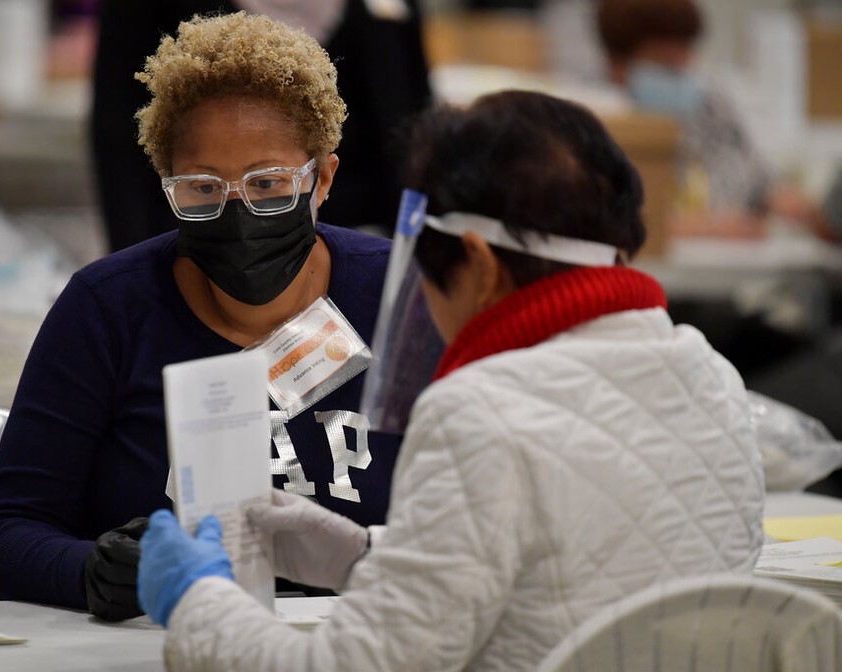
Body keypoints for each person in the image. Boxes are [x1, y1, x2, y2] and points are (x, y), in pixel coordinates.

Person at [134, 89, 766, 671]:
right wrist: (362, 555)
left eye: (432, 274)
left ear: (481, 267)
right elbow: (578, 572)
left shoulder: (477, 412)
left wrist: (198, 602)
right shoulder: (709, 374)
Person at [0, 12, 402, 621]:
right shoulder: (109, 308)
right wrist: (91, 571)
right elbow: (7, 532)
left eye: (269, 184)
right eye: (201, 188)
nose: (239, 213)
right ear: (165, 186)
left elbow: (480, 517)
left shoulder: (399, 297)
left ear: (323, 179)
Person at [89, 0, 431, 251]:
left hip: (360, 232)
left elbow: (413, 119)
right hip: (206, 240)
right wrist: (137, 261)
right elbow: (118, 130)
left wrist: (417, 256)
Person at [596, 0, 830, 239]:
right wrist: (703, 227)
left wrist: (781, 199)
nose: (681, 69)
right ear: (617, 64)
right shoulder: (602, 124)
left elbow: (759, 180)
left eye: (685, 54)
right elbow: (605, 221)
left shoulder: (710, 106)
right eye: (664, 63)